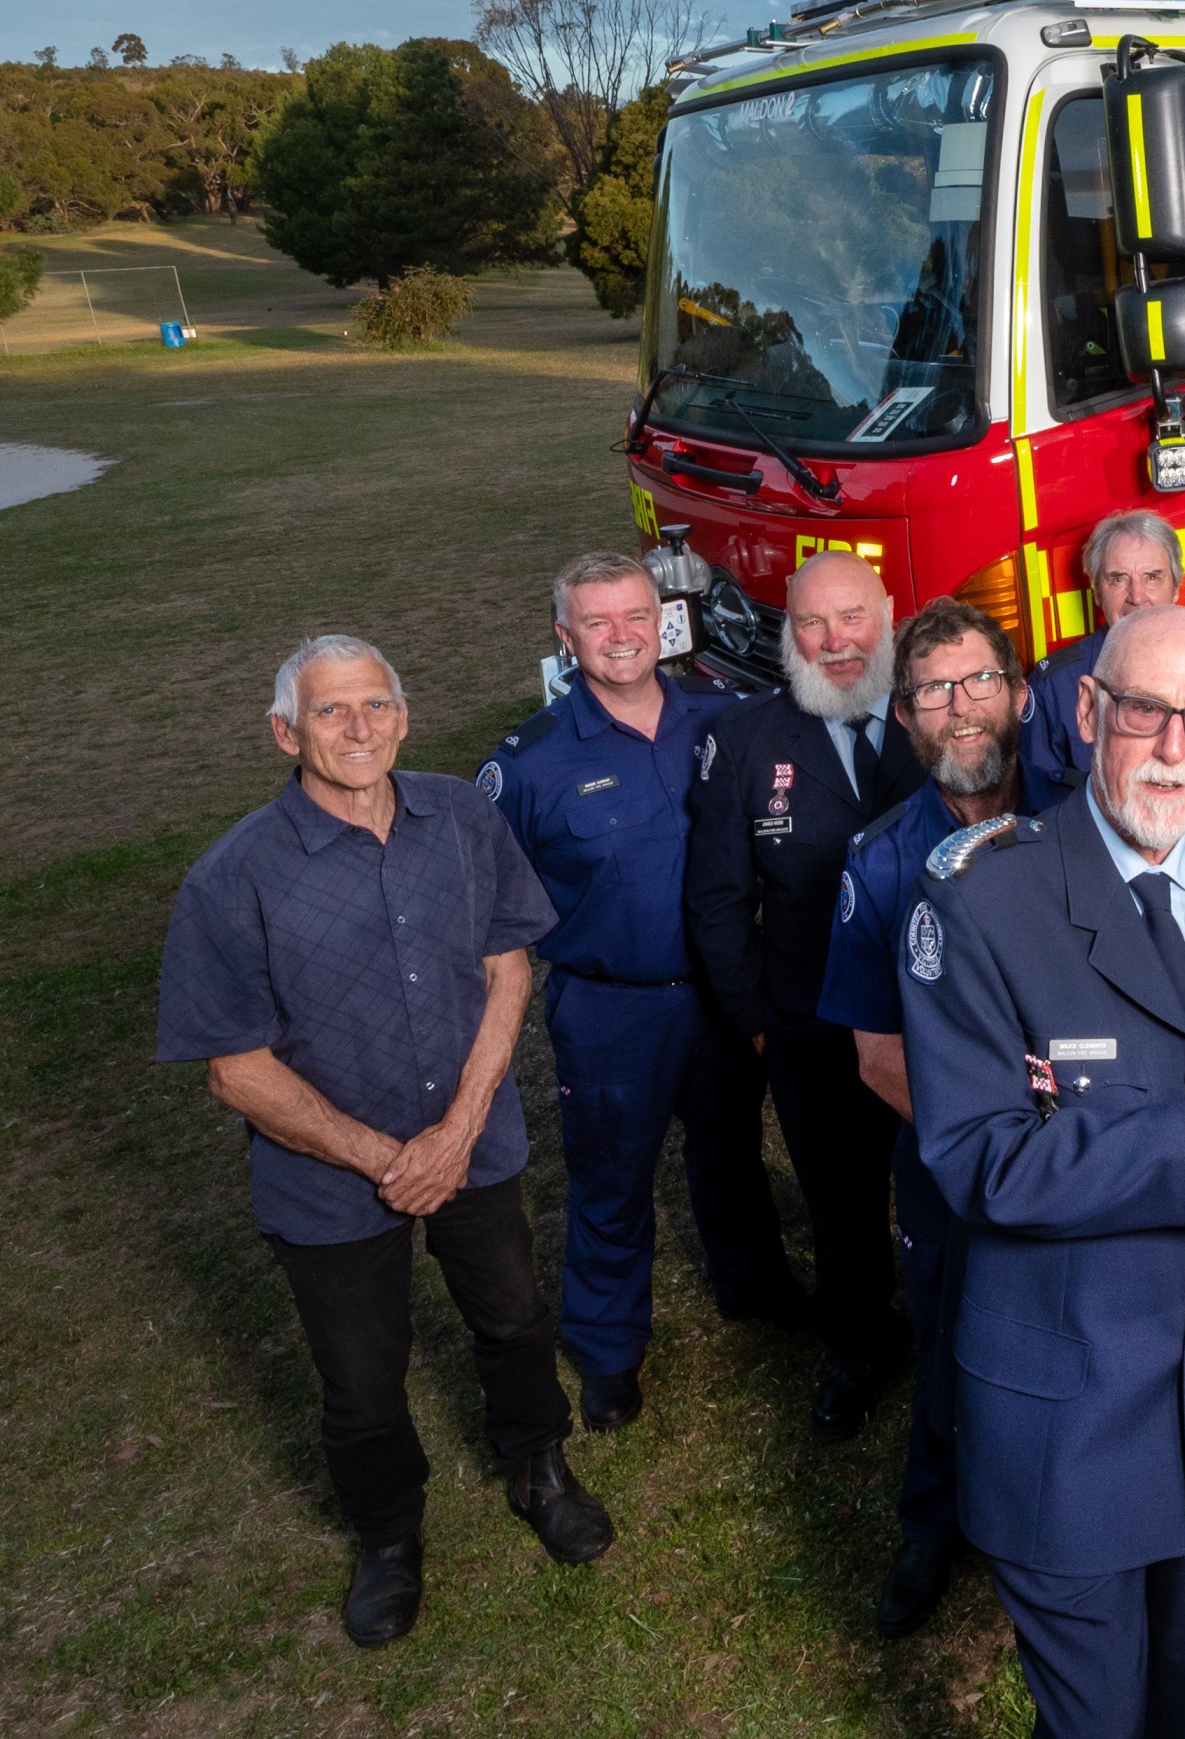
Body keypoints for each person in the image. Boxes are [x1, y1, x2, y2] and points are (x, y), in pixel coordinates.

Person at [901, 604, 1185, 1739]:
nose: (1171, 747)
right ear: (1087, 710)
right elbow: (982, 1160)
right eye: (1144, 712)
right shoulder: (980, 899)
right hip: (1068, 1417)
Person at [160, 635, 612, 1648]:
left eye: (375, 704)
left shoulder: (461, 814)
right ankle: (388, 1535)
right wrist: (388, 1158)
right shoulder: (231, 879)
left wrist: (458, 1131)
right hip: (324, 1182)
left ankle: (538, 1468)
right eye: (329, 710)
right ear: (286, 732)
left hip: (472, 1142)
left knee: (514, 1318)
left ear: (403, 718)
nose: (357, 727)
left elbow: (507, 968)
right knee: (361, 1378)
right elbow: (236, 1069)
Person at [479, 551, 793, 1438]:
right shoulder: (530, 764)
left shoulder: (722, 716)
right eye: (598, 622)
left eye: (636, 616)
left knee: (731, 1152)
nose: (621, 637)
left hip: (723, 995)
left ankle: (754, 1286)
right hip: (612, 1010)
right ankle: (608, 1347)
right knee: (611, 1179)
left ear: (664, 621)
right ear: (565, 637)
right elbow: (486, 898)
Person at [816, 600, 1027, 1638]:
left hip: (1095, 1160)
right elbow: (877, 1054)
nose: (961, 707)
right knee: (950, 1345)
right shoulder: (882, 860)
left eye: (979, 681)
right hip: (956, 1169)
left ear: (1018, 695)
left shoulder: (1091, 821)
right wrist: (999, 1158)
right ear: (904, 717)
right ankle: (934, 1524)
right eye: (935, 691)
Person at [685, 549, 928, 1438]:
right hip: (812, 1020)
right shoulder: (747, 739)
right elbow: (717, 900)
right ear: (787, 632)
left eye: (852, 616)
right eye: (812, 623)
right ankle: (858, 1345)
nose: (836, 641)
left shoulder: (939, 717)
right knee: (839, 1197)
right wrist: (762, 1025)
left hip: (940, 1009)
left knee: (958, 1180)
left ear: (887, 612)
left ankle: (960, 1331)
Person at [1025, 511, 1185, 818]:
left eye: (1152, 577)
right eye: (1118, 579)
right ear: (1097, 591)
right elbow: (1040, 813)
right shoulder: (1055, 686)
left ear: (1176, 587)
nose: (1136, 597)